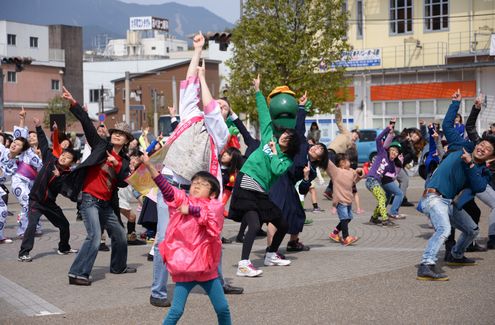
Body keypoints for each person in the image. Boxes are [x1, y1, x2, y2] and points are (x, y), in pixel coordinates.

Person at [148, 32, 242, 307]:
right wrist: (197, 50)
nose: (219, 107)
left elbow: (212, 108)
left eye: (225, 107)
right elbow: (187, 86)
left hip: (198, 192)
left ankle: (219, 283)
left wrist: (204, 80)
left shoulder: (220, 133)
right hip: (172, 186)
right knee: (165, 238)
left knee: (210, 237)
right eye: (218, 104)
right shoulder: (190, 116)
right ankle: (157, 292)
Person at [142, 154, 231, 325]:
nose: (197, 185)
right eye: (195, 183)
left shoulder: (215, 206)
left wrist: (192, 210)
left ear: (212, 194)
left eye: (203, 184)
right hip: (185, 268)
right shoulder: (182, 200)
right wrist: (149, 166)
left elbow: (213, 223)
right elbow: (167, 189)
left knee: (222, 309)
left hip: (206, 270)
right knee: (176, 310)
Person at [61, 86, 136, 286]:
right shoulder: (101, 146)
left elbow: (122, 181)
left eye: (122, 134)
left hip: (106, 204)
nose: (117, 135)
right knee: (94, 236)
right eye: (115, 132)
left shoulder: (125, 161)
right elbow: (86, 123)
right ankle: (77, 272)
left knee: (120, 234)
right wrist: (74, 103)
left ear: (127, 140)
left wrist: (116, 164)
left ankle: (118, 266)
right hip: (89, 200)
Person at [416, 90, 494, 281]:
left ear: (491, 157)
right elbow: (448, 126)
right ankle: (426, 265)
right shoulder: (461, 145)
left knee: (473, 230)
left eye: (488, 149)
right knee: (444, 229)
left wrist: (470, 164)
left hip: (448, 203)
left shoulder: (481, 171)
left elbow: (477, 186)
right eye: (482, 144)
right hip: (433, 197)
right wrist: (455, 104)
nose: (482, 147)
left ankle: (456, 255)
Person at [229, 74, 299, 277]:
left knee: (283, 223)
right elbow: (264, 113)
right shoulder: (270, 136)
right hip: (247, 182)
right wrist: (258, 90)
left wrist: (276, 152)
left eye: (287, 137)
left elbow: (278, 169)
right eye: (284, 134)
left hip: (261, 192)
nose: (284, 135)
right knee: (253, 223)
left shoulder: (286, 160)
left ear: (291, 144)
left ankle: (270, 254)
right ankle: (244, 264)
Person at [268, 93, 328, 252]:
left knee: (298, 213)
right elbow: (300, 127)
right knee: (276, 212)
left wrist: (307, 177)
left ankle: (293, 242)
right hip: (280, 176)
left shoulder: (313, 170)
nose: (316, 147)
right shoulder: (301, 146)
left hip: (289, 184)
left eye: (320, 150)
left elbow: (302, 190)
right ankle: (270, 250)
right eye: (317, 146)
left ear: (319, 158)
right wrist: (301, 107)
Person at [18, 117, 78, 261]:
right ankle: (23, 253)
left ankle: (64, 248)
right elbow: (44, 144)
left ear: (72, 163)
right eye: (63, 155)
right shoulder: (50, 159)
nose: (64, 158)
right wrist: (38, 127)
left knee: (64, 224)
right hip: (36, 201)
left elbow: (64, 191)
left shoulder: (66, 175)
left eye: (68, 157)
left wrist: (58, 177)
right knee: (32, 225)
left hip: (49, 204)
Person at [465, 93, 495, 250]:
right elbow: (470, 126)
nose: (484, 148)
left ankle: (469, 243)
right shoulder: (481, 143)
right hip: (472, 181)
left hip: (483, 182)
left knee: (474, 212)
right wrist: (476, 107)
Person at [12, 107, 44, 238]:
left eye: (33, 135)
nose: (30, 137)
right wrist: (22, 118)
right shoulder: (25, 150)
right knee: (26, 203)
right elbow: (19, 137)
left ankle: (34, 226)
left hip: (33, 183)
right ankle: (23, 230)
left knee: (34, 204)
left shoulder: (42, 153)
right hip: (19, 181)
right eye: (28, 136)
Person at [365, 118, 401, 227]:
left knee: (384, 197)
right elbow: (378, 139)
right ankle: (385, 219)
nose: (394, 153)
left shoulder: (391, 165)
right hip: (371, 179)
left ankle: (374, 218)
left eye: (396, 153)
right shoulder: (382, 153)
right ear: (389, 150)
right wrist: (388, 128)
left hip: (377, 181)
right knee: (382, 197)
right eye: (393, 150)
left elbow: (392, 176)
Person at [327, 153, 364, 245]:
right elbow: (328, 166)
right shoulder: (337, 172)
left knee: (348, 218)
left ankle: (334, 233)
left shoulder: (351, 171)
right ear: (342, 163)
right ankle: (346, 238)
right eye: (348, 160)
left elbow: (355, 180)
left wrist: (359, 172)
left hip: (348, 199)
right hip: (340, 200)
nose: (350, 162)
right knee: (344, 219)